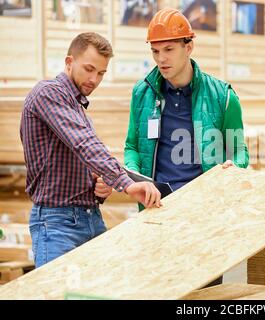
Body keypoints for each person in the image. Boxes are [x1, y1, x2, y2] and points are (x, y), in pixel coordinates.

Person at [124, 8, 249, 286]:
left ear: (188, 46)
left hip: (204, 215)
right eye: (155, 51)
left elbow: (240, 151)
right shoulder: (142, 93)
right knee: (159, 288)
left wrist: (234, 166)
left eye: (168, 49)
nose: (161, 59)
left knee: (204, 292)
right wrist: (134, 176)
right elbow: (132, 146)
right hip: (157, 212)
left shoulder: (223, 96)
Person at [20, 32, 161, 268]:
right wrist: (125, 183)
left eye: (101, 73)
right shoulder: (48, 93)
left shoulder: (77, 108)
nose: (94, 79)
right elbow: (84, 144)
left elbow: (83, 156)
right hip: (57, 224)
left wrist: (99, 186)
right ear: (68, 62)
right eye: (88, 69)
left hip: (90, 219)